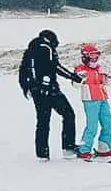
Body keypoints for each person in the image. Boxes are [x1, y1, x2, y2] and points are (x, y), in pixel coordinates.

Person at [19, 29, 84, 159]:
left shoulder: (30, 50)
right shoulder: (46, 49)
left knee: (43, 121)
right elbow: (55, 67)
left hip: (36, 91)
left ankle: (42, 154)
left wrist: (26, 88)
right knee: (68, 114)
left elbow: (22, 70)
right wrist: (74, 77)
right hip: (50, 90)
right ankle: (68, 147)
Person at [73, 43, 111, 160]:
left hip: (103, 99)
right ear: (85, 56)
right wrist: (79, 78)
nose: (95, 58)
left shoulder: (100, 68)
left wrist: (109, 75)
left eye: (97, 55)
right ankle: (84, 150)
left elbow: (109, 83)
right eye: (92, 55)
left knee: (109, 124)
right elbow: (75, 85)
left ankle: (104, 148)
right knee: (92, 126)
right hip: (90, 100)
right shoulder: (80, 69)